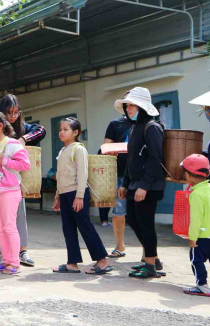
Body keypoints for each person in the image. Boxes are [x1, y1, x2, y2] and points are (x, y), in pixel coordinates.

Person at [0, 94, 45, 267]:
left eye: (16, 112)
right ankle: (4, 254)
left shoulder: (21, 131)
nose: (13, 116)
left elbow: (41, 130)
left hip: (14, 184)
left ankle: (20, 252)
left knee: (16, 219)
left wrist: (24, 138)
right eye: (9, 112)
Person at [115, 87, 166, 279]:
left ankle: (151, 265)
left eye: (131, 105)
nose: (128, 109)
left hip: (149, 185)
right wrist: (125, 184)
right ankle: (152, 258)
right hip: (135, 184)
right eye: (127, 105)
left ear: (142, 107)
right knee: (134, 221)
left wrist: (144, 185)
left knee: (145, 224)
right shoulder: (135, 128)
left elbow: (155, 159)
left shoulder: (152, 127)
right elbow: (131, 160)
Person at [51, 118, 112, 274]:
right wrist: (58, 195)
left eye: (66, 129)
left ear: (75, 132)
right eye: (61, 129)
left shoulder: (78, 149)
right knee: (68, 228)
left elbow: (83, 173)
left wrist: (79, 196)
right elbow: (61, 176)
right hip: (65, 194)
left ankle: (102, 261)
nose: (62, 132)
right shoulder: (63, 150)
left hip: (77, 193)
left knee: (85, 226)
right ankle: (72, 263)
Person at [0, 111, 31, 276]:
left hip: (10, 190)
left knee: (9, 226)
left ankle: (15, 263)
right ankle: (5, 260)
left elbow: (25, 165)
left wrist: (4, 161)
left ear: (0, 126)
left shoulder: (12, 144)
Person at [179, 154, 210, 296]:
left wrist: (192, 237)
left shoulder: (195, 195)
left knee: (196, 260)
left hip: (202, 235)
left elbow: (196, 219)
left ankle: (202, 285)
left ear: (188, 175)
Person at [102, 105, 132, 258]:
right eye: (128, 105)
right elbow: (105, 148)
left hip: (140, 176)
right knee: (118, 213)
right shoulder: (115, 124)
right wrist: (109, 150)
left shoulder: (149, 125)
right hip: (119, 174)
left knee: (142, 215)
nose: (130, 108)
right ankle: (120, 245)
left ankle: (149, 253)